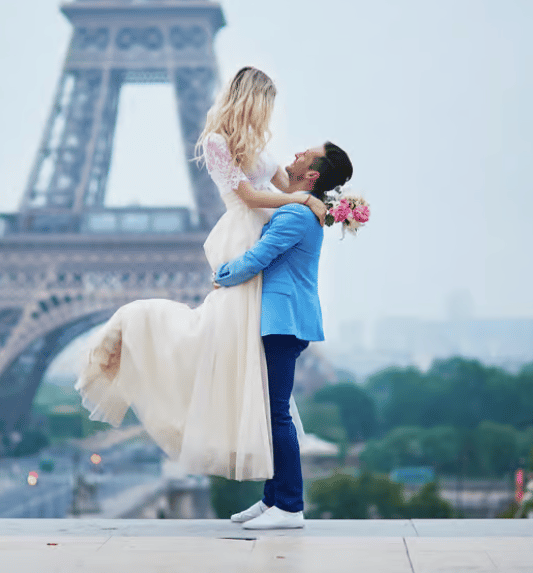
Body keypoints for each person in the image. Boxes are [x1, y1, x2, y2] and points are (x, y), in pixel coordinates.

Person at [74, 67, 326, 481]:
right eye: (265, 104)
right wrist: (302, 201)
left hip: (266, 230)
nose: (268, 113)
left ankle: (264, 468)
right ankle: (137, 331)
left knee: (245, 345)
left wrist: (332, 201)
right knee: (227, 332)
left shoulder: (258, 143)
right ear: (250, 100)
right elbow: (249, 196)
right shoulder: (216, 142)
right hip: (244, 232)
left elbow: (286, 188)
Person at [217, 141, 353, 530]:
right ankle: (273, 499)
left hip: (282, 321)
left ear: (312, 174)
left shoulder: (295, 213)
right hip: (284, 320)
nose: (293, 156)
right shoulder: (302, 208)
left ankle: (290, 505)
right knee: (271, 412)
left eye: (303, 156)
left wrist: (221, 275)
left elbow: (260, 256)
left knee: (276, 413)